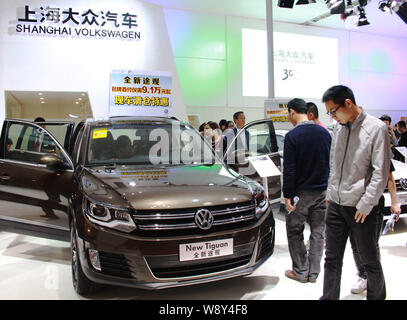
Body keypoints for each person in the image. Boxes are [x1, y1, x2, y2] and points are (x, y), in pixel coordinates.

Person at [320, 85, 390, 300]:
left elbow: (381, 171)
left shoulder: (376, 128)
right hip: (337, 205)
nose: (332, 116)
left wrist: (367, 203)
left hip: (362, 209)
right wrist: (331, 195)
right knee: (331, 258)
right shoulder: (339, 128)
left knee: (369, 260)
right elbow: (334, 164)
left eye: (334, 111)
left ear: (348, 103)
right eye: (329, 112)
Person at [282, 98, 331, 284]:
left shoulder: (292, 136)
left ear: (292, 112)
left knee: (295, 230)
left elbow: (290, 169)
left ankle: (301, 271)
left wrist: (287, 195)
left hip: (301, 193)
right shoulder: (324, 133)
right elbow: (329, 164)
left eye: (288, 114)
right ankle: (314, 273)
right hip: (322, 191)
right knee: (318, 232)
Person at [350, 164, 401, 294]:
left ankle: (374, 280)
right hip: (351, 204)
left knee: (371, 245)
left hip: (374, 204)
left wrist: (395, 202)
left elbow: (389, 178)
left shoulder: (379, 149)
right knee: (355, 244)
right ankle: (363, 276)